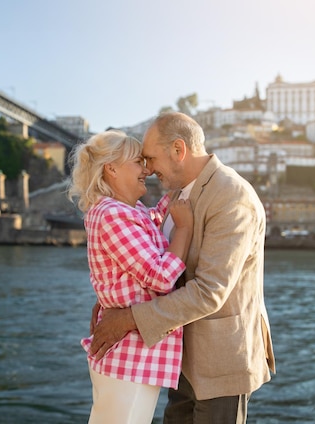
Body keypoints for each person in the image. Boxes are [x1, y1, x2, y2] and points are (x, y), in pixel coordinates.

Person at [89, 112, 276, 423]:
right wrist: (112, 300)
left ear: (178, 150)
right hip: (182, 357)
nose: (147, 169)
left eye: (150, 158)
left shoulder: (231, 196)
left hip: (221, 360)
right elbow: (153, 260)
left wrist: (128, 319)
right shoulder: (177, 192)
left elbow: (209, 292)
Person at [67, 129, 194, 424]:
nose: (146, 170)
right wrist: (185, 230)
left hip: (132, 355)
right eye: (138, 162)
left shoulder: (130, 211)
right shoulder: (112, 214)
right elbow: (160, 277)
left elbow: (159, 214)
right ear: (111, 168)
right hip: (129, 357)